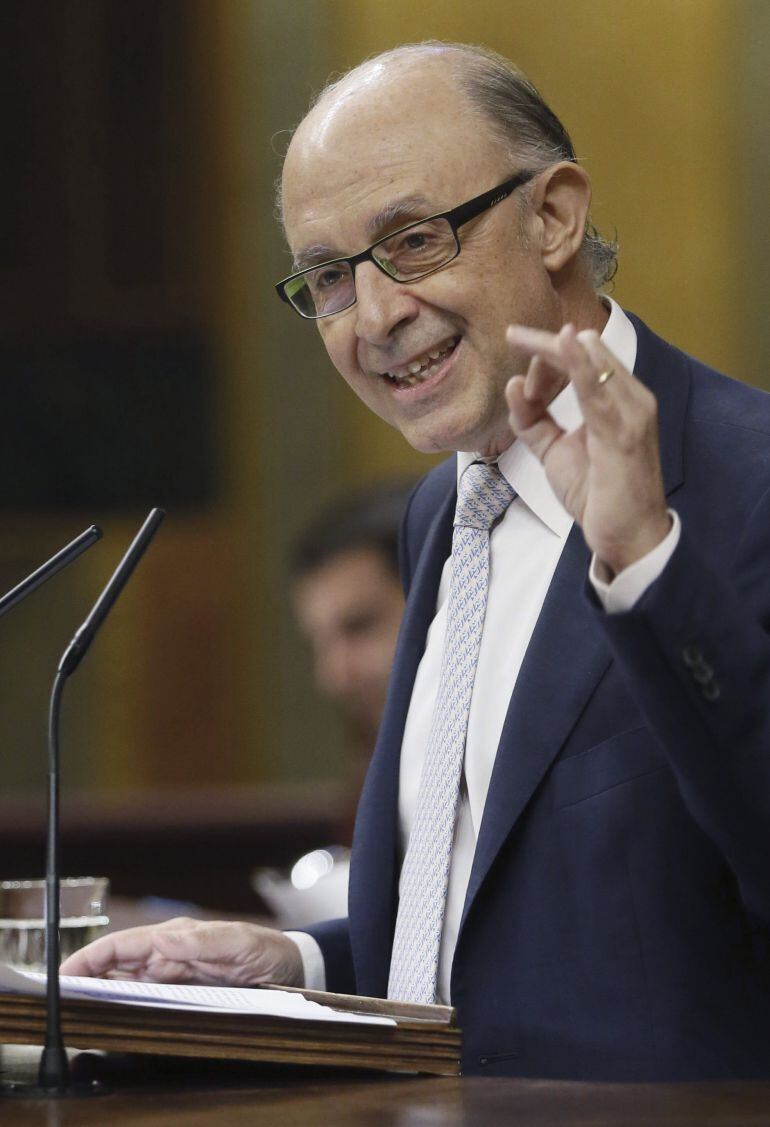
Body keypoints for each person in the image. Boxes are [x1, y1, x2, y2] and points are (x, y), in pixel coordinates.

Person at [63, 42, 770, 1082]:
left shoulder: (743, 476)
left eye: (412, 239)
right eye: (329, 277)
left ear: (553, 216)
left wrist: (643, 563)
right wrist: (295, 956)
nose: (376, 314)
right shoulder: (443, 508)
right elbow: (514, 933)